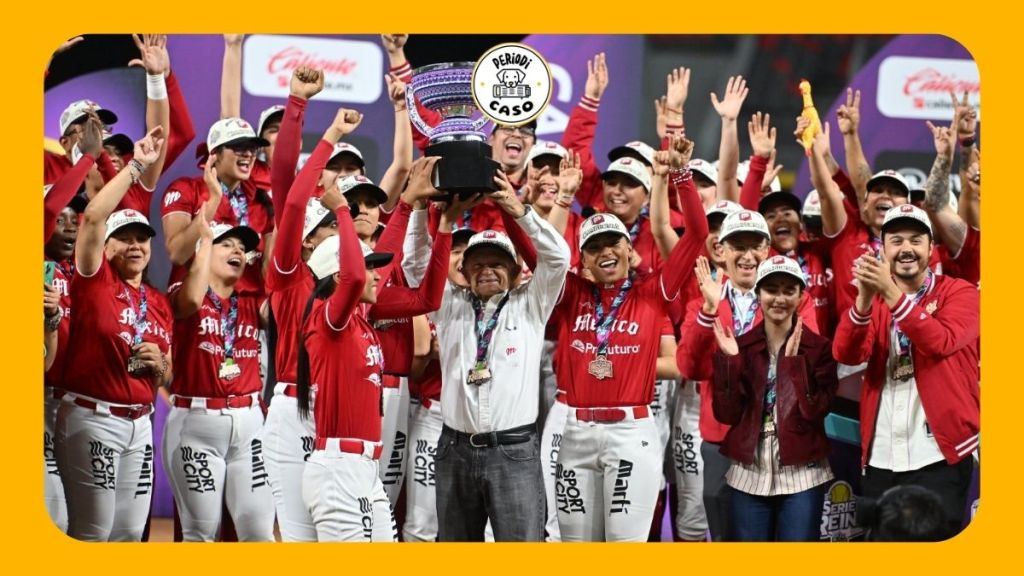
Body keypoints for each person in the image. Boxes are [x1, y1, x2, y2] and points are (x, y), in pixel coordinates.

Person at [551, 136, 707, 542]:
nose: (606, 251)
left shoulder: (652, 292)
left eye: (613, 242)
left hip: (629, 434)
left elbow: (696, 234)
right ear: (581, 258)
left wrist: (680, 175)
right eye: (594, 246)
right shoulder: (570, 294)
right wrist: (563, 199)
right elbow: (544, 254)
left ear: (627, 245)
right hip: (575, 434)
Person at [296, 172, 453, 542]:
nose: (377, 276)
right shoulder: (327, 319)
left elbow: (428, 299)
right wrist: (343, 214)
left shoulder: (363, 319)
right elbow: (353, 276)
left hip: (366, 468)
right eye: (369, 268)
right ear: (339, 276)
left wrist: (443, 228)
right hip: (338, 469)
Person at [432, 170, 570, 542]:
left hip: (514, 451)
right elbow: (415, 270)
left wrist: (519, 210)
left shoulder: (532, 303)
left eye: (497, 263)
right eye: (477, 264)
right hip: (454, 450)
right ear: (463, 272)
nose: (487, 270)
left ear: (515, 271)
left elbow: (558, 258)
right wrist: (442, 222)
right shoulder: (449, 306)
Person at [55, 128, 173, 542]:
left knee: (126, 535)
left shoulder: (158, 303)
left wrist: (161, 365)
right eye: (124, 238)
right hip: (93, 418)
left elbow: (169, 375)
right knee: (92, 533)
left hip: (140, 427)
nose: (136, 245)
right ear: (104, 247)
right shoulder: (94, 280)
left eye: (143, 238)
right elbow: (94, 216)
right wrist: (136, 165)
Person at [832, 204, 979, 537]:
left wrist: (889, 292)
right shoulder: (875, 301)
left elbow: (940, 341)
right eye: (896, 240)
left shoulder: (960, 293)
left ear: (931, 248)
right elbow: (846, 352)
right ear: (883, 249)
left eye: (916, 239)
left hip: (940, 455)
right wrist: (863, 302)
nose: (906, 249)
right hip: (882, 455)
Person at [676, 209, 819, 541]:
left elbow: (803, 364)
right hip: (723, 442)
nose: (747, 255)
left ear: (767, 249)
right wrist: (709, 310)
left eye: (755, 245)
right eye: (737, 246)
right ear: (721, 251)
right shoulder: (703, 304)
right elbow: (690, 368)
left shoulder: (797, 300)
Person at [710, 256, 838, 541]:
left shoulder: (819, 349)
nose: (779, 298)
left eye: (788, 290)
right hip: (749, 474)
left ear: (801, 296)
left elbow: (817, 412)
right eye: (771, 290)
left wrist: (794, 366)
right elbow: (726, 415)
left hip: (803, 475)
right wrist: (730, 362)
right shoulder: (739, 346)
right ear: (758, 295)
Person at [162, 212, 272, 542]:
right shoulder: (182, 292)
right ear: (204, 250)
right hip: (196, 424)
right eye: (227, 244)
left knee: (259, 535)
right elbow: (193, 299)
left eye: (243, 247)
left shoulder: (253, 302)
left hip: (250, 423)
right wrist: (205, 240)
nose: (237, 251)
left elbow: (285, 294)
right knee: (200, 537)